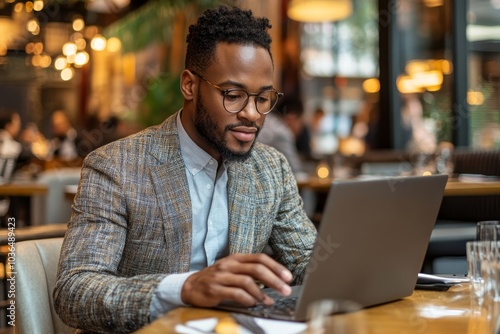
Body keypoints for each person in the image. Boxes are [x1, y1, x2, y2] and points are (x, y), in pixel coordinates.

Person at [53, 5, 317, 333]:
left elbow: (309, 263)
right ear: (190, 86)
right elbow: (74, 292)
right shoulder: (116, 167)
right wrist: (185, 288)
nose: (252, 114)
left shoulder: (270, 169)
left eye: (263, 99)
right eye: (233, 95)